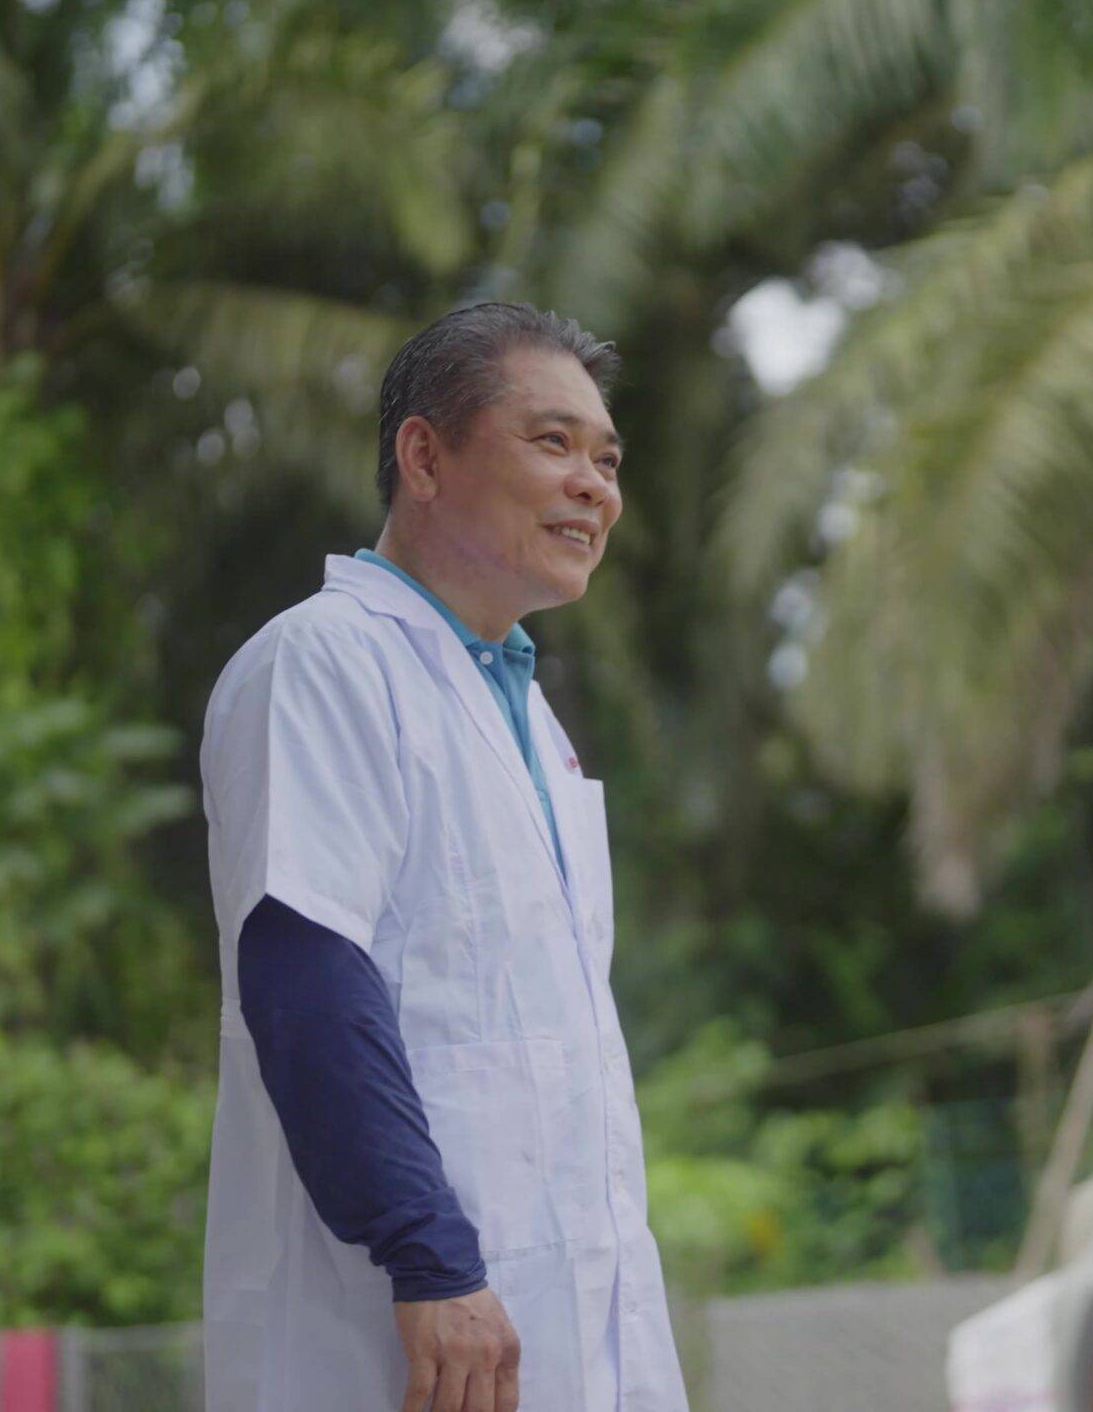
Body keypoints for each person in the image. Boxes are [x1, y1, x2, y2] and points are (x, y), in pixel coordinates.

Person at [198, 303, 685, 1412]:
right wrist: (430, 1259)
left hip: (576, 1342)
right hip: (409, 1338)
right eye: (551, 443)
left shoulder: (532, 723)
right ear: (424, 456)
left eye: (607, 460)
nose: (594, 486)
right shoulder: (322, 663)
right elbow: (306, 979)